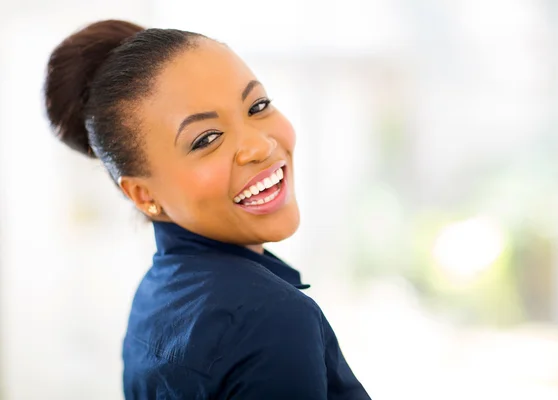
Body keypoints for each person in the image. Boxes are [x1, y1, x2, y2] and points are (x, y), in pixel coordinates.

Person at [43, 20, 371, 399]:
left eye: (258, 105)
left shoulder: (156, 295)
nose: (259, 145)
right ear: (142, 194)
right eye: (206, 139)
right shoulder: (269, 319)